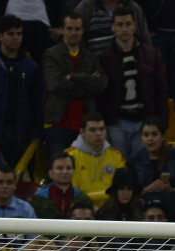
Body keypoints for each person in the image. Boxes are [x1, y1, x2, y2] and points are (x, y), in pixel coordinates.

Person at [98, 5, 169, 161]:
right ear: (112, 27)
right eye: (120, 25)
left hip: (144, 122)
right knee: (120, 170)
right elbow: (100, 95)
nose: (124, 29)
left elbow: (161, 90)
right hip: (116, 122)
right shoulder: (104, 58)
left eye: (128, 24)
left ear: (135, 26)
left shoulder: (151, 54)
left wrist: (162, 124)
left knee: (141, 170)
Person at [43, 11, 109, 159]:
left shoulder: (92, 57)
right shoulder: (50, 54)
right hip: (57, 124)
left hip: (85, 127)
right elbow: (54, 85)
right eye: (70, 28)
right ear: (62, 30)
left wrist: (71, 77)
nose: (74, 33)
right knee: (58, 173)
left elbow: (101, 85)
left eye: (77, 29)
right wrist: (87, 81)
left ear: (83, 30)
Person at [0, 15, 42, 166]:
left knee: (20, 184)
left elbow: (36, 104)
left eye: (19, 33)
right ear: (0, 36)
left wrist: (36, 135)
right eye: (11, 34)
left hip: (20, 135)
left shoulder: (31, 67)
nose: (16, 38)